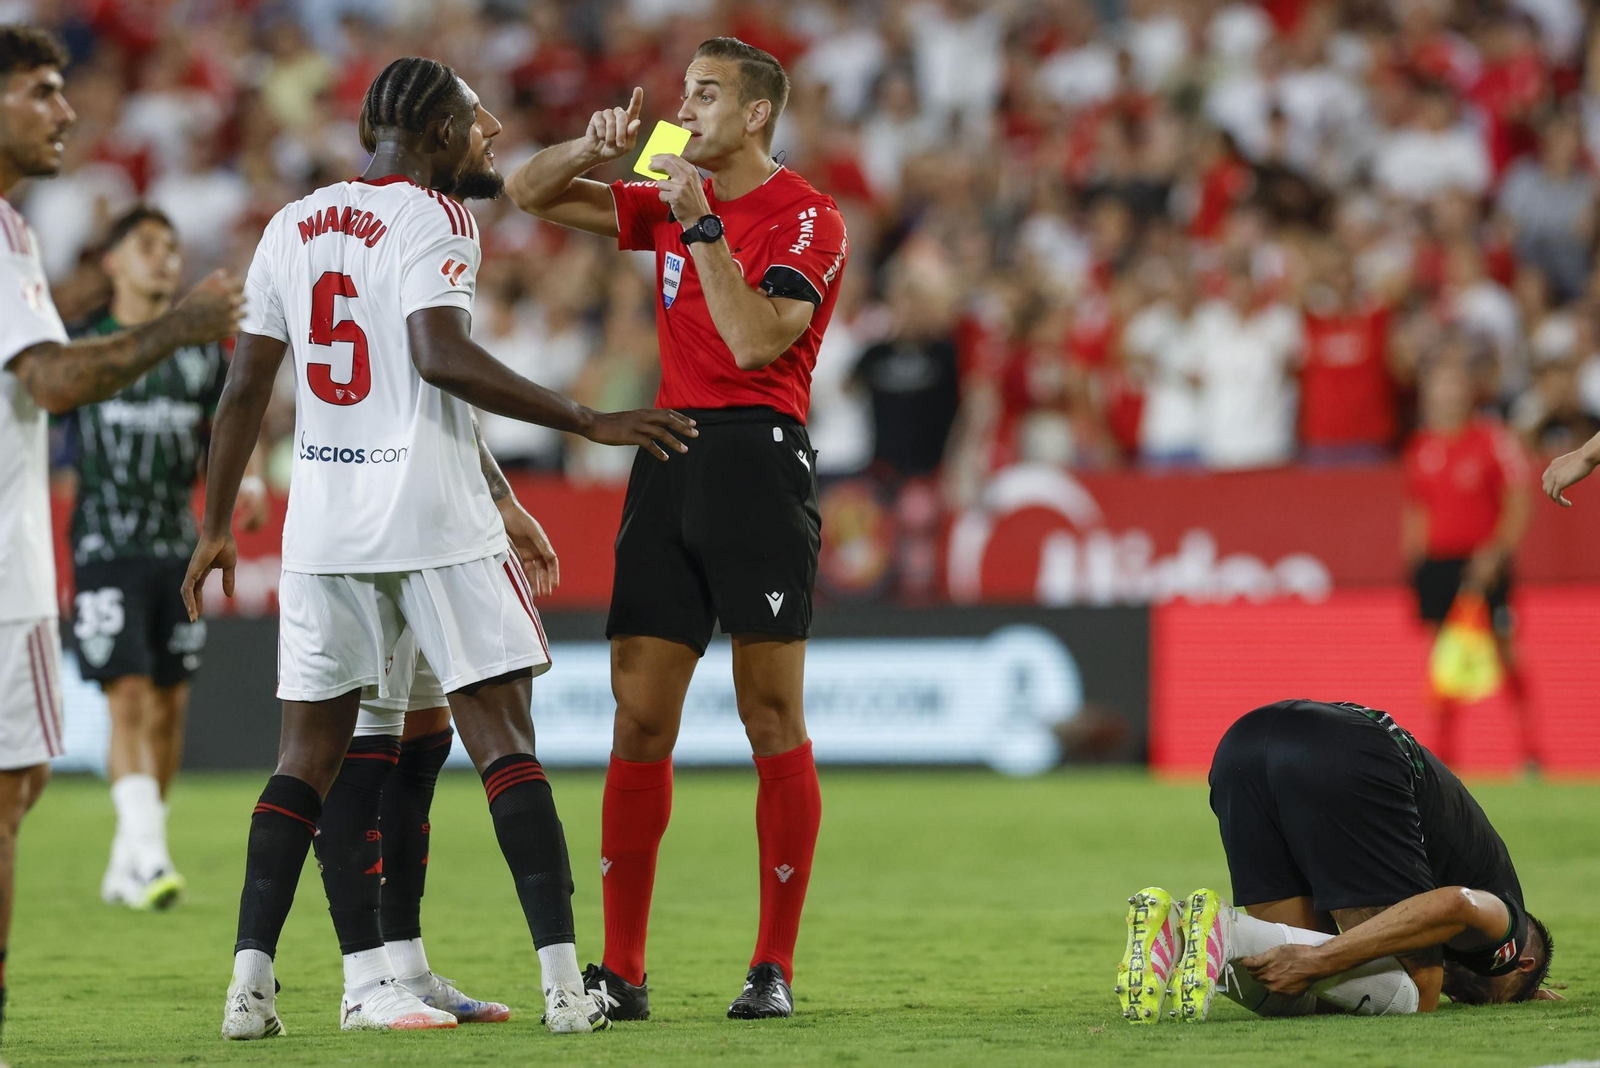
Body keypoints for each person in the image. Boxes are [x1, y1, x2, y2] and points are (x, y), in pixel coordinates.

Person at [179, 56, 694, 1040]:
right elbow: (437, 357)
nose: (493, 127)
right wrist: (585, 419)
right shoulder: (434, 219)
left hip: (325, 527)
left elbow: (246, 389)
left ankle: (281, 985)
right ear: (433, 136)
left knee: (325, 756)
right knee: (504, 737)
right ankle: (562, 988)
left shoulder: (290, 225)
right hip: (425, 521)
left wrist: (213, 528)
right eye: (476, 117)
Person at [507, 36, 849, 1019]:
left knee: (768, 716)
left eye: (707, 96)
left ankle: (770, 967)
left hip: (756, 456)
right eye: (684, 94)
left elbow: (750, 341)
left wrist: (698, 229)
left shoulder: (807, 216)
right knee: (638, 718)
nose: (685, 110)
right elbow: (528, 194)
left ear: (755, 116)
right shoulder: (668, 171)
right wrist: (588, 148)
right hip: (666, 453)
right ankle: (621, 971)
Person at [0, 23, 242, 1062]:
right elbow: (51, 385)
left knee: (151, 715)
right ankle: (136, 857)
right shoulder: (20, 252)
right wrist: (177, 325)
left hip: (167, 543)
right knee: (27, 779)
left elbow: (223, 440)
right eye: (44, 93)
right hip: (75, 552)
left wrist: (236, 509)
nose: (67, 113)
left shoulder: (25, 250)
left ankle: (136, 849)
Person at [308, 412, 560, 1026]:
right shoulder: (412, 314)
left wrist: (501, 498)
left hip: (426, 525)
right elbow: (443, 365)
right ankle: (359, 979)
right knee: (360, 750)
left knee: (420, 745)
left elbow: (449, 405)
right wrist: (577, 420)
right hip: (374, 534)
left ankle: (408, 968)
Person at [64, 205, 271, 911]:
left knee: (168, 709)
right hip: (103, 545)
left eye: (172, 247)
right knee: (126, 696)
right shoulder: (85, 345)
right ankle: (151, 859)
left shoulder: (201, 352)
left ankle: (129, 859)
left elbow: (236, 419)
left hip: (175, 548)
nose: (163, 257)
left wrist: (247, 478)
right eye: (147, 246)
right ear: (113, 262)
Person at [1115, 700, 1556, 1024]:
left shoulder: (1477, 859)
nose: (1470, 1002)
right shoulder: (1508, 941)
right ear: (1524, 967)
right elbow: (1456, 905)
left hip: (1242, 746)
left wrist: (1316, 961)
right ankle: (1225, 932)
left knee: (1298, 984)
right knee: (1418, 992)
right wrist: (1322, 959)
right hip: (1349, 754)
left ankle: (1175, 932)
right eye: (1499, 999)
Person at [1402, 353, 1533, 766]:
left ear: (1469, 391)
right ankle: (1444, 755)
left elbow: (1519, 501)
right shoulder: (1421, 447)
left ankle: (1529, 751)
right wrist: (1414, 565)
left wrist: (1497, 551)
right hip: (1438, 565)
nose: (1446, 393)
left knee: (1505, 652)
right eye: (1438, 385)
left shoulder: (1492, 439)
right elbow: (1416, 509)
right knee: (1443, 663)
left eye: (1453, 384)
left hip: (1483, 562)